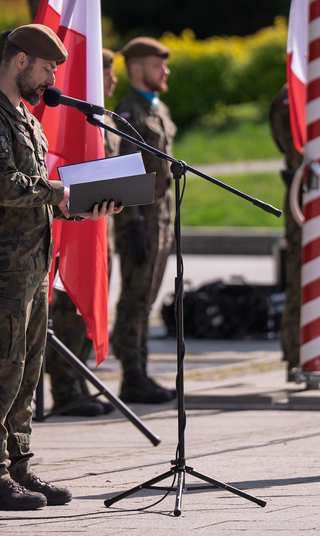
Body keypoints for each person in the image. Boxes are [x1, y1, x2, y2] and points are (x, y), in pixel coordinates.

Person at [0, 24, 121, 511]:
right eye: (48, 67)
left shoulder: (26, 119)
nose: (51, 79)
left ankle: (18, 466)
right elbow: (5, 186)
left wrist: (81, 206)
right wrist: (61, 193)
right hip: (1, 268)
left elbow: (38, 193)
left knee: (27, 370)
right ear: (21, 60)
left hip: (32, 265)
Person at [45, 48, 121, 417]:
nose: (113, 78)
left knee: (87, 307)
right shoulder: (68, 119)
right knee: (67, 310)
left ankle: (79, 380)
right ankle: (64, 387)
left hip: (97, 223)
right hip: (64, 224)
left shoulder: (106, 119)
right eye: (107, 70)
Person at [111, 37, 178, 404]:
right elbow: (126, 173)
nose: (164, 71)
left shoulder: (158, 108)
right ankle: (132, 374)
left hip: (161, 219)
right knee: (136, 299)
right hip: (140, 221)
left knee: (147, 299)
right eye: (157, 66)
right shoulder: (129, 112)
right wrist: (133, 223)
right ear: (136, 69)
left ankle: (140, 370)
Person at [268, 85, 320, 379]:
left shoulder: (293, 96)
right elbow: (296, 148)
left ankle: (306, 352)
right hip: (312, 194)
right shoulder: (296, 98)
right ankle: (298, 355)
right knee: (308, 276)